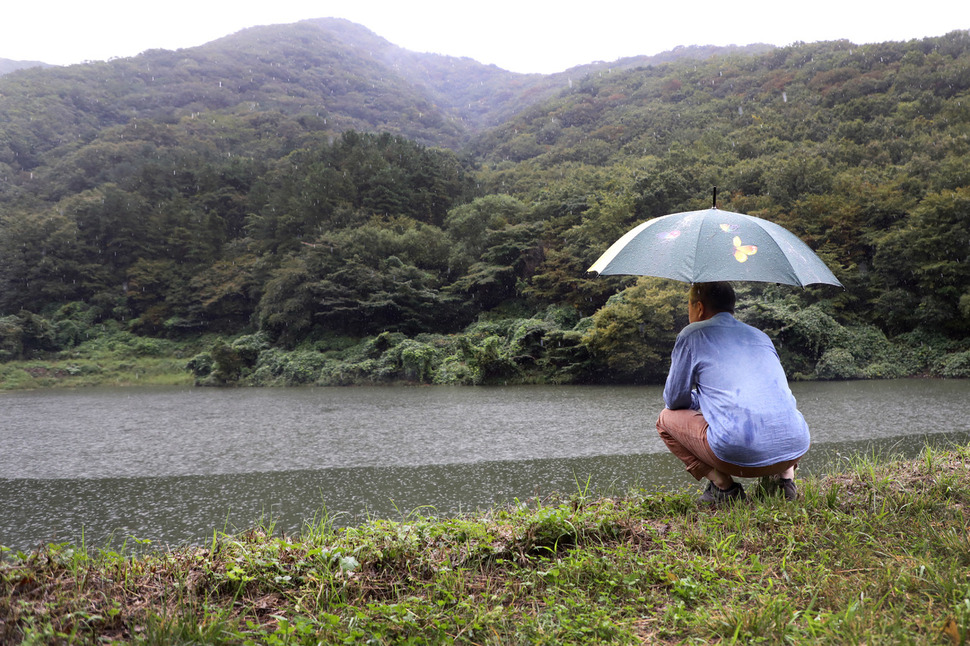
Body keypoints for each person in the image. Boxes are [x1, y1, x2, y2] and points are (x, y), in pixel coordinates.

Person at [656, 282, 810, 504]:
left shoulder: (692, 335)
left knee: (664, 420)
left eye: (688, 306)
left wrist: (702, 399)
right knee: (776, 408)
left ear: (698, 307)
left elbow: (674, 400)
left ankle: (723, 488)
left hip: (738, 457)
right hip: (795, 447)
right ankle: (783, 481)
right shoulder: (760, 336)